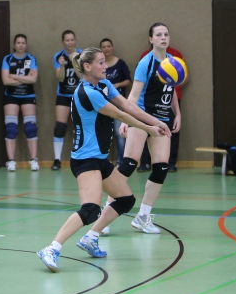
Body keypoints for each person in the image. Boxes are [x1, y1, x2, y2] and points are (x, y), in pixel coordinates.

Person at [36, 49, 168, 272]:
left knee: (125, 200)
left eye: (105, 62)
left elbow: (129, 106)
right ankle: (51, 248)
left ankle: (91, 237)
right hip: (85, 160)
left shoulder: (103, 85)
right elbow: (121, 115)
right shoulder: (87, 93)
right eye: (100, 62)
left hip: (99, 159)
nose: (105, 66)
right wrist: (149, 129)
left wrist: (157, 122)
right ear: (87, 67)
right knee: (90, 209)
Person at [105, 23, 180, 235]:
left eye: (166, 34)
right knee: (129, 163)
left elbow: (172, 90)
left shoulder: (172, 62)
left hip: (162, 120)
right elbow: (134, 95)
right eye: (159, 34)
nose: (163, 37)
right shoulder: (146, 63)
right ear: (151, 39)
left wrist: (177, 114)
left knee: (161, 167)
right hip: (141, 116)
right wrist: (126, 120)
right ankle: (106, 213)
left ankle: (143, 216)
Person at [1, 34, 40, 171]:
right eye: (18, 43)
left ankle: (33, 160)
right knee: (11, 128)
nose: (21, 45)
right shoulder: (7, 59)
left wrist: (14, 76)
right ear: (14, 45)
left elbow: (33, 80)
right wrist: (25, 78)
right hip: (11, 96)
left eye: (23, 43)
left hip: (28, 95)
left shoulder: (31, 59)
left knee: (30, 128)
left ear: (26, 44)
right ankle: (11, 161)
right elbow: (5, 81)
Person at [51, 30, 81, 170]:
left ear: (75, 40)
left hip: (79, 94)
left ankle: (79, 157)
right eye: (67, 40)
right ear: (63, 42)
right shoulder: (58, 56)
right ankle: (57, 159)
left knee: (79, 127)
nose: (70, 43)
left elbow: (83, 76)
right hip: (63, 94)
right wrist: (62, 65)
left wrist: (75, 61)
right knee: (60, 127)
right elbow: (60, 78)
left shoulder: (82, 55)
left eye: (72, 40)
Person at [100, 38, 132, 165]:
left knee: (120, 132)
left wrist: (117, 84)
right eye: (103, 47)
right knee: (104, 133)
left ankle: (121, 161)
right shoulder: (99, 64)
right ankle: (105, 162)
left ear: (112, 47)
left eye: (108, 46)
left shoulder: (120, 63)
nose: (106, 49)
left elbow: (128, 80)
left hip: (118, 103)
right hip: (103, 104)